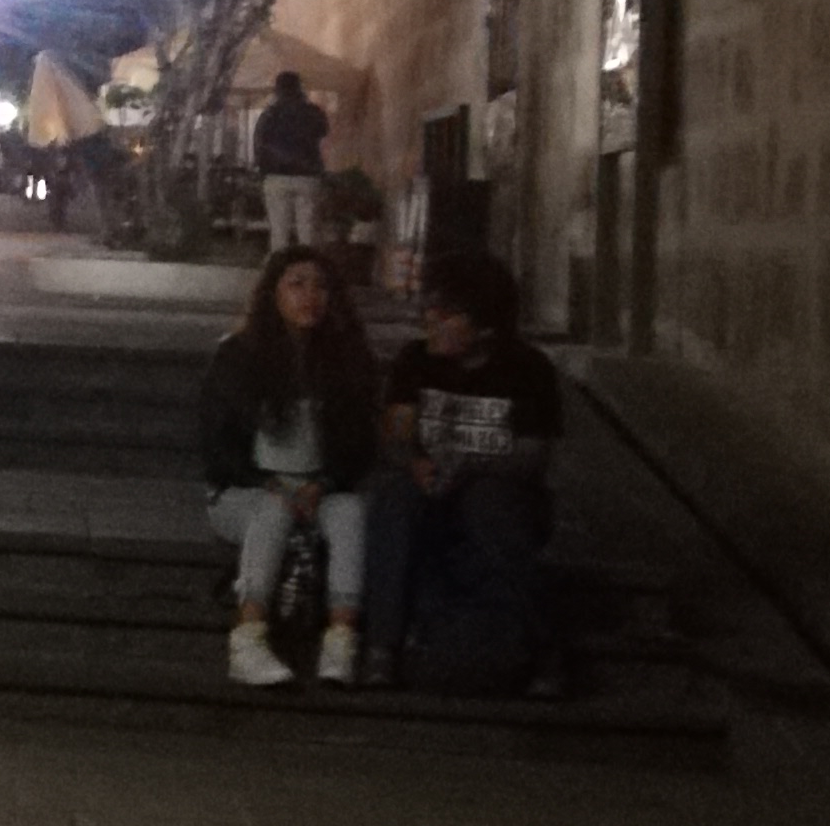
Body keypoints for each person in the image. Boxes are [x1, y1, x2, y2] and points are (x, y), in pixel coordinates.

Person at [364, 252, 565, 691]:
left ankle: (542, 649)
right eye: (430, 307)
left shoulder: (528, 369)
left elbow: (533, 456)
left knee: (490, 503)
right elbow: (395, 435)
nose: (430, 320)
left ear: (486, 327)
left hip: (503, 496)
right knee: (394, 502)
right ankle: (383, 645)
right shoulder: (415, 361)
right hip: (430, 489)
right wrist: (413, 461)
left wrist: (472, 465)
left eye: (448, 313)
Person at [200, 246, 378, 689]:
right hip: (246, 489)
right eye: (297, 284)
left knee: (350, 513)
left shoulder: (347, 358)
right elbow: (217, 446)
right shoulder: (238, 355)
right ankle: (248, 638)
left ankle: (341, 640)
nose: (310, 296)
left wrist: (326, 482)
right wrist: (271, 484)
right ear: (273, 293)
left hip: (317, 489)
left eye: (320, 286)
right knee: (272, 510)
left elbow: (360, 444)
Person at [253, 69, 330, 256]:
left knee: (279, 234)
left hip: (276, 177)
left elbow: (259, 145)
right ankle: (308, 267)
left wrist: (262, 171)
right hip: (308, 176)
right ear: (299, 87)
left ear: (277, 89)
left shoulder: (269, 114)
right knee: (308, 233)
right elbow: (323, 132)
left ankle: (280, 269)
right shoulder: (313, 112)